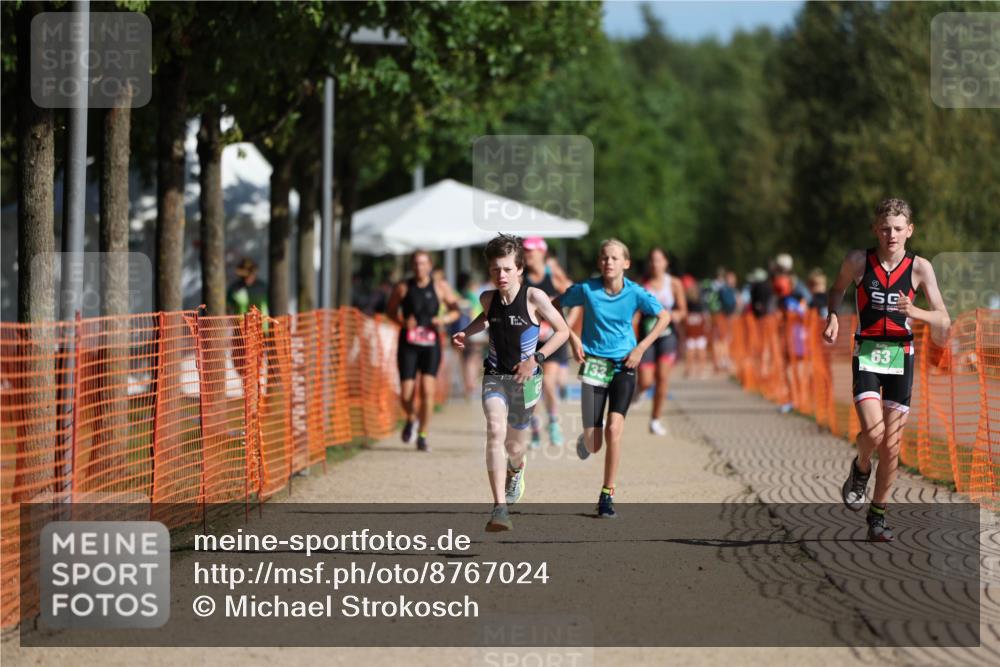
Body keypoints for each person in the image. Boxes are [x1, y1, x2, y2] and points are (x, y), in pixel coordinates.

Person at [824, 198, 950, 542]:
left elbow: (942, 316)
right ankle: (861, 467)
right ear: (874, 230)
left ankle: (877, 516)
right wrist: (833, 316)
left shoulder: (920, 267)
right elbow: (836, 290)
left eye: (897, 229)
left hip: (901, 355)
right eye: (884, 228)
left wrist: (916, 312)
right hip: (867, 351)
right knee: (874, 434)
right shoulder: (857, 261)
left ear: (910, 231)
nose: (890, 235)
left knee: (892, 445)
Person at [452, 235, 570, 531]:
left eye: (506, 269)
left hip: (525, 380)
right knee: (494, 430)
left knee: (515, 446)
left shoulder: (534, 297)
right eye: (495, 270)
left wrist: (537, 359)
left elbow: (563, 331)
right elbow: (486, 318)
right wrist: (466, 332)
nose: (500, 276)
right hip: (495, 376)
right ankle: (499, 508)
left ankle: (515, 470)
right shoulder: (487, 298)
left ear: (519, 269)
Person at [557, 239, 670, 518]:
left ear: (626, 264)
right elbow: (553, 306)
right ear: (599, 262)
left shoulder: (635, 293)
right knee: (594, 442)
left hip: (624, 365)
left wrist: (641, 348)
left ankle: (607, 494)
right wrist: (572, 338)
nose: (609, 262)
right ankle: (587, 439)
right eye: (604, 257)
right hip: (594, 364)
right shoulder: (586, 289)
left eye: (615, 258)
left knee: (614, 430)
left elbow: (664, 317)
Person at [386, 251, 461, 452]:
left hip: (431, 343)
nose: (420, 267)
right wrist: (402, 321)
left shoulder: (439, 286)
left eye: (423, 263)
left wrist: (442, 320)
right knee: (406, 393)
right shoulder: (403, 287)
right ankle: (412, 418)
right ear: (412, 266)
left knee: (427, 391)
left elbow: (456, 310)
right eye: (416, 264)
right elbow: (390, 311)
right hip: (408, 343)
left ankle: (423, 434)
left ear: (429, 266)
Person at [522, 237, 574, 448]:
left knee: (548, 384)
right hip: (529, 340)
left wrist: (566, 325)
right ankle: (534, 429)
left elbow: (576, 298)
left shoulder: (554, 277)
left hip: (553, 341)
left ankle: (553, 423)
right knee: (529, 387)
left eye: (531, 251)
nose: (528, 254)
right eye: (525, 251)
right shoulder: (521, 279)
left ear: (542, 253)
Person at [635, 247, 687, 436]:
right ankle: (640, 390)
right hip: (646, 337)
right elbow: (633, 311)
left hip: (667, 336)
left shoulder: (674, 284)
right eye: (652, 260)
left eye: (659, 260)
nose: (655, 264)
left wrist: (672, 315)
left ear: (666, 263)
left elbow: (683, 311)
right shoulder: (642, 284)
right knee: (647, 381)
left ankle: (655, 419)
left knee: (663, 379)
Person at [683, 281, 710, 379]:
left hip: (692, 328)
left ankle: (690, 370)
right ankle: (699, 370)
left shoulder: (686, 301)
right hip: (698, 328)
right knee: (699, 350)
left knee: (691, 350)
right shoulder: (701, 302)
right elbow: (705, 316)